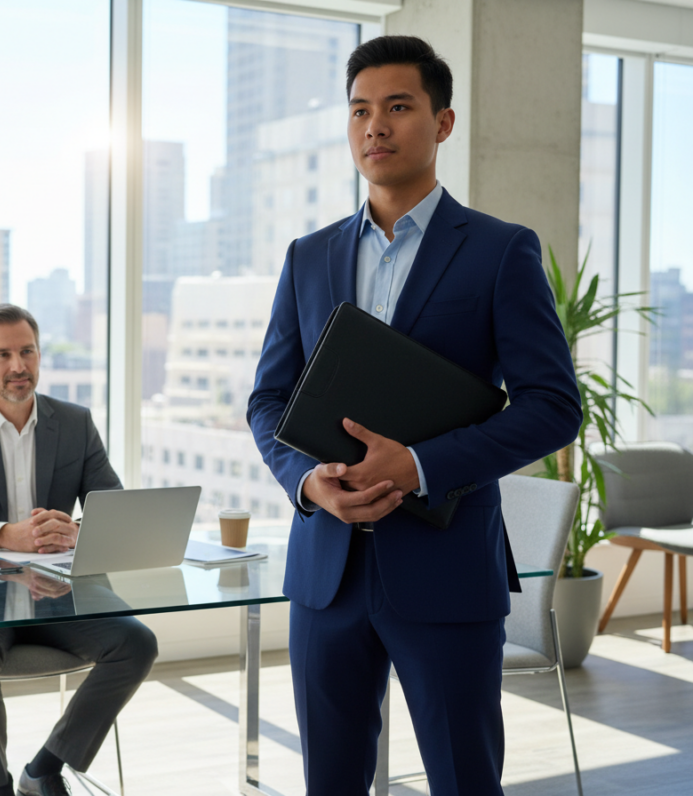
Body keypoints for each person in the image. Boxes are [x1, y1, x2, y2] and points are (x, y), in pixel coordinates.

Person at [246, 36, 582, 796]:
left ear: (444, 122)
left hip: (446, 569)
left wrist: (421, 465)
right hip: (326, 570)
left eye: (398, 107)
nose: (376, 127)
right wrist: (307, 482)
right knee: (330, 783)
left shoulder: (500, 252)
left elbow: (554, 407)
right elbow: (269, 400)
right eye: (360, 110)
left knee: (464, 781)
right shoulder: (308, 255)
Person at [0, 304, 158, 796]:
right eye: (3, 354)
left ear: (40, 355)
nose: (18, 365)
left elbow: (115, 511)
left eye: (27, 352)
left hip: (58, 592)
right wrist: (4, 534)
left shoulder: (76, 422)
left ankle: (43, 770)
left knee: (137, 643)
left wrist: (77, 531)